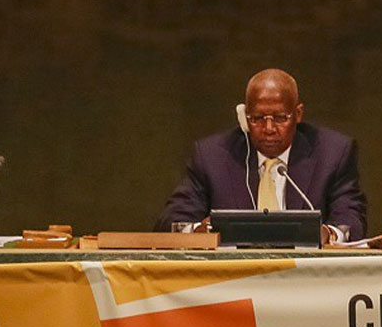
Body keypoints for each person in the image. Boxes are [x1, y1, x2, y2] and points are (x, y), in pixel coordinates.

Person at [155, 69, 367, 242]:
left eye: (280, 118)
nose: (268, 128)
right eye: (257, 118)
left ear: (298, 114)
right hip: (233, 281)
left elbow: (351, 220)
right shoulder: (212, 156)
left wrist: (329, 234)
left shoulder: (332, 153)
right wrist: (197, 232)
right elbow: (171, 221)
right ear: (244, 117)